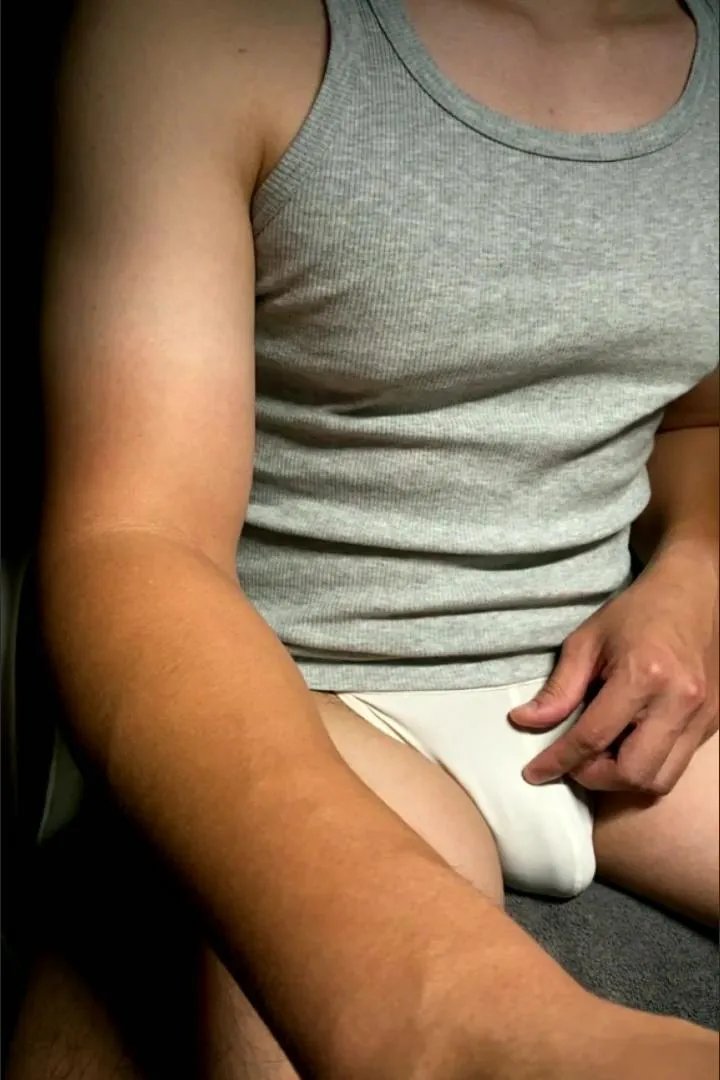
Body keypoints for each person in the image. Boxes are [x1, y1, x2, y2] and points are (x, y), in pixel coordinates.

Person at [8, 0, 719, 1076]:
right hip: (294, 689)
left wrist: (697, 575)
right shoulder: (196, 30)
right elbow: (135, 539)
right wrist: (438, 1019)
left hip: (591, 680)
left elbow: (699, 421)